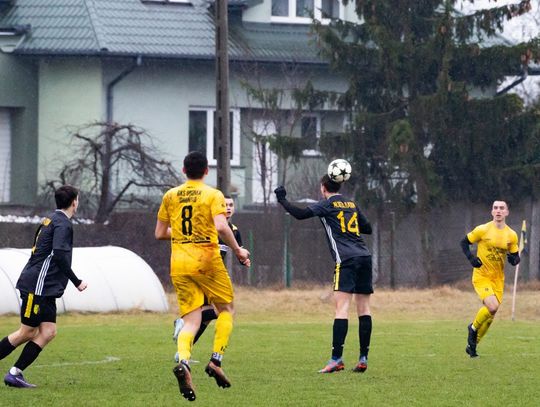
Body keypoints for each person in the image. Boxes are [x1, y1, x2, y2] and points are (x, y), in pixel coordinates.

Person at [155, 151, 249, 402]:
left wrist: (183, 234)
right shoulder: (213, 194)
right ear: (207, 171)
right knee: (226, 309)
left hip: (179, 263)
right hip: (206, 260)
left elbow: (160, 233)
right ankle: (216, 360)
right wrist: (239, 250)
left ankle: (184, 362)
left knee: (191, 321)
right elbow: (221, 226)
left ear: (183, 171)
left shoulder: (170, 195)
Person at [274, 176, 373, 374]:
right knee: (364, 308)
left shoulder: (326, 204)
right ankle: (363, 358)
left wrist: (282, 200)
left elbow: (300, 214)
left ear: (323, 188)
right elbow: (367, 228)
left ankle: (336, 359)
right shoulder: (351, 204)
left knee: (341, 308)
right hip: (364, 257)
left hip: (346, 259)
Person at [0, 185, 88, 388]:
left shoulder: (50, 219)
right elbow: (59, 255)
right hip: (37, 286)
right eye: (78, 199)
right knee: (27, 332)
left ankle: (15, 373)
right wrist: (77, 281)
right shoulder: (62, 224)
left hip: (45, 287)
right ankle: (14, 374)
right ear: (74, 202)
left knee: (48, 331)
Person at [172, 195, 250, 361]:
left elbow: (239, 253)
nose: (228, 208)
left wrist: (244, 260)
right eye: (224, 204)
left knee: (206, 318)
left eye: (231, 205)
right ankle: (182, 324)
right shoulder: (209, 225)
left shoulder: (234, 231)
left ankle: (184, 352)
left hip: (214, 275)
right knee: (219, 311)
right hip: (201, 273)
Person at [460, 200, 519, 358]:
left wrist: (514, 260)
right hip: (482, 276)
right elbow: (464, 243)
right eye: (495, 208)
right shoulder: (483, 229)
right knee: (492, 307)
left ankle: (472, 346)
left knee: (491, 316)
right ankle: (472, 328)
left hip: (498, 279)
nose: (498, 210)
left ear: (507, 212)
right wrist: (471, 258)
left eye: (501, 208)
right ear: (492, 212)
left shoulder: (511, 235)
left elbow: (515, 256)